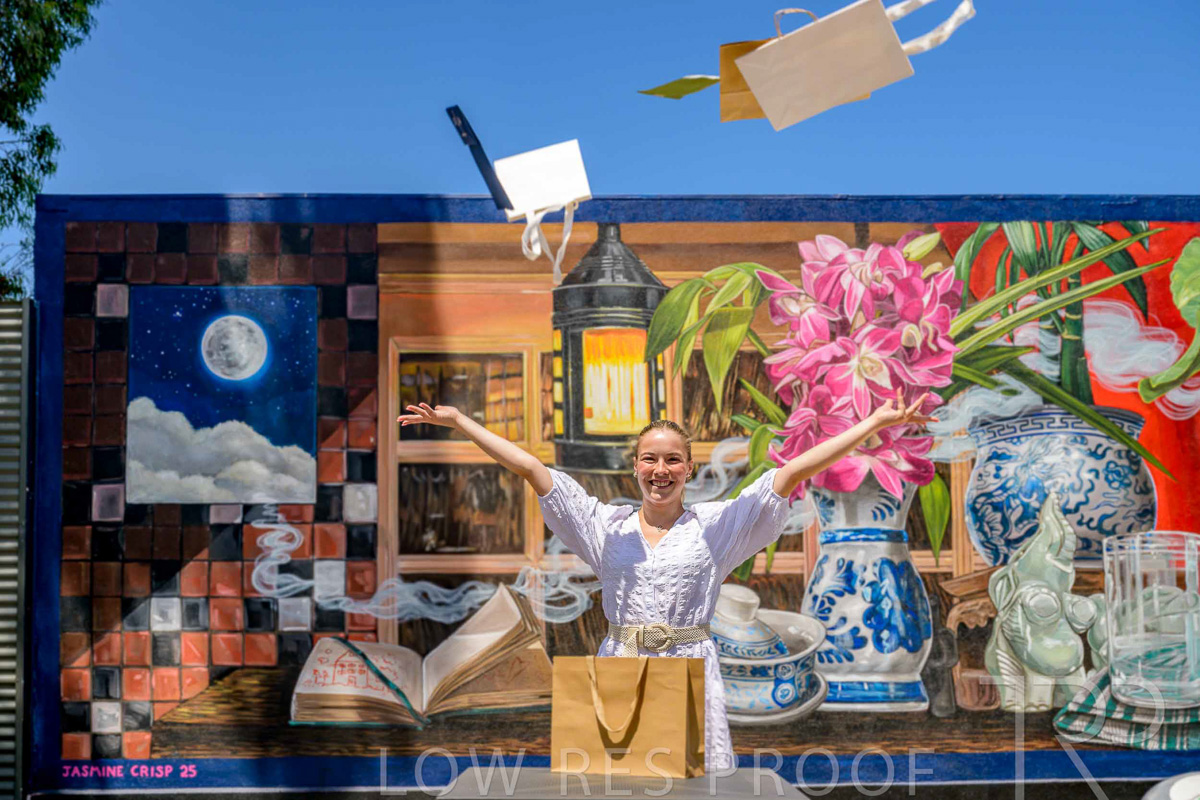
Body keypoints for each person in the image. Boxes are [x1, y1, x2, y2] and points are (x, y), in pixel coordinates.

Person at [397, 390, 935, 772]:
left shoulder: (716, 527)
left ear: (688, 468)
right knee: (614, 786)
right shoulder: (604, 526)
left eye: (673, 460)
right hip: (621, 664)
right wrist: (462, 423)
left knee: (688, 787)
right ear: (635, 466)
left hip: (688, 666)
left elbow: (792, 472)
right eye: (650, 459)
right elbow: (532, 471)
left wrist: (873, 424)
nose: (661, 470)